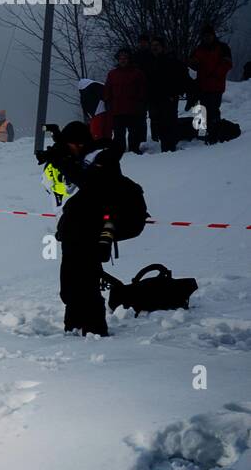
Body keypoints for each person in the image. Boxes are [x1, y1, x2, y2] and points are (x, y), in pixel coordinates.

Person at [36, 121, 127, 336]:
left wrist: (64, 161)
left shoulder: (104, 157)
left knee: (87, 281)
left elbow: (92, 185)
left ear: (79, 144)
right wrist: (58, 151)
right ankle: (73, 325)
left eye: (70, 146)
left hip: (93, 228)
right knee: (69, 282)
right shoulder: (80, 157)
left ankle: (95, 328)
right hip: (73, 229)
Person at [188, 23, 233, 145]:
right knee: (200, 109)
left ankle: (214, 134)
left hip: (215, 86)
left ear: (213, 35)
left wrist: (216, 74)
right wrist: (193, 64)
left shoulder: (222, 48)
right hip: (201, 85)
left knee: (213, 110)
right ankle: (202, 134)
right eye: (204, 36)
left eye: (209, 35)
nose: (207, 38)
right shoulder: (198, 49)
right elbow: (192, 64)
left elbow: (228, 64)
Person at [143, 36, 189, 153]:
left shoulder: (171, 61)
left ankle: (171, 149)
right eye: (153, 46)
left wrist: (174, 93)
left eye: (157, 45)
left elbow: (182, 77)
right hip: (154, 99)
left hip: (169, 99)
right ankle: (165, 149)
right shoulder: (147, 62)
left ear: (162, 47)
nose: (155, 48)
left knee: (170, 123)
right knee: (159, 125)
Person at [103, 48, 147, 154]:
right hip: (117, 110)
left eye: (125, 58)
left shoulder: (137, 73)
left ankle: (134, 150)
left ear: (129, 59)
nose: (122, 60)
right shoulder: (112, 74)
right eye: (120, 58)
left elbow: (143, 90)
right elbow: (108, 89)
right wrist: (107, 102)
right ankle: (119, 151)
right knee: (118, 133)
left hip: (133, 109)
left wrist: (141, 104)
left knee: (134, 132)